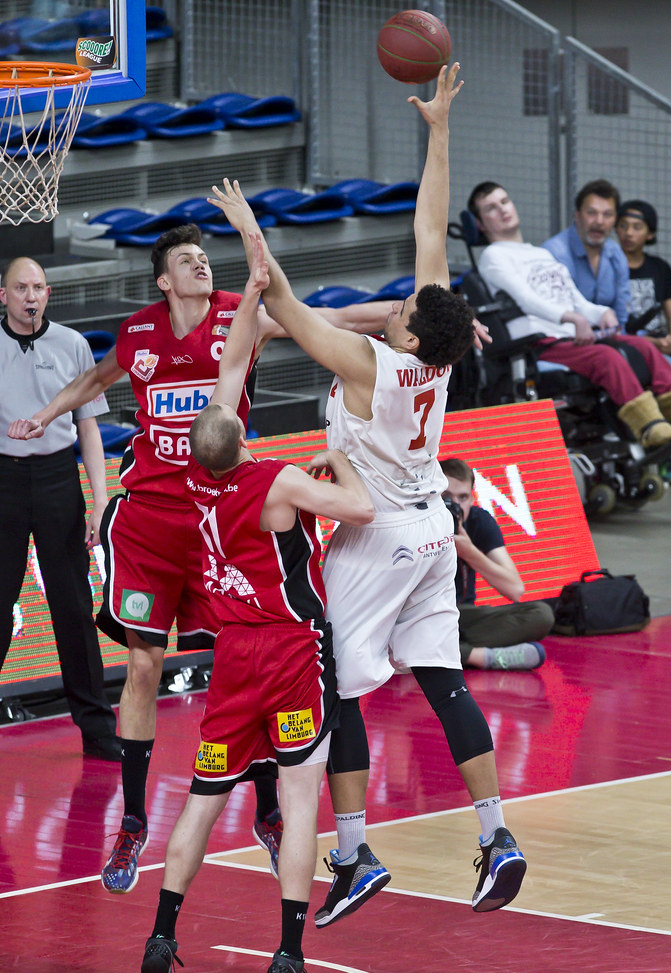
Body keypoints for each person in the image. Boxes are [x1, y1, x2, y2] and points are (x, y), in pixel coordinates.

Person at [211, 63, 528, 926]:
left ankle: (350, 853)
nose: (391, 305)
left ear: (407, 331)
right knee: (442, 680)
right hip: (433, 527)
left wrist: (249, 235)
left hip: (381, 535)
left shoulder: (372, 364)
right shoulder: (435, 353)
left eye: (399, 308)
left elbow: (282, 304)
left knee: (335, 689)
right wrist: (436, 129)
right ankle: (497, 836)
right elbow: (431, 224)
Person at [7, 225, 394, 896]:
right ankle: (132, 822)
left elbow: (324, 320)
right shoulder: (138, 334)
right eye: (187, 261)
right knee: (143, 665)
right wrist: (44, 416)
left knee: (249, 659)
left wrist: (395, 317)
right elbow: (96, 379)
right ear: (163, 279)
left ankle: (269, 813)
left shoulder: (237, 319)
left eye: (203, 258)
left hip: (222, 516)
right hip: (152, 522)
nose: (200, 265)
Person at [137, 235, 374, 973]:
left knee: (202, 801)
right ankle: (289, 951)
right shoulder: (275, 481)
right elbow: (362, 509)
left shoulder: (195, 483)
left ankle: (161, 936)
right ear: (243, 435)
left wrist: (251, 276)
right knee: (299, 800)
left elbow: (230, 366)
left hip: (229, 656)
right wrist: (339, 459)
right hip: (287, 649)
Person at [0, 257, 120, 761]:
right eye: (20, 287)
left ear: (48, 293)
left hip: (56, 479)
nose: (31, 295)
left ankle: (96, 728)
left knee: (72, 606)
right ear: (2, 295)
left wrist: (100, 498)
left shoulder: (72, 344)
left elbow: (89, 429)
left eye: (39, 287)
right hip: (4, 479)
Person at [467, 181, 671, 448]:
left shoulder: (541, 253)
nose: (502, 210)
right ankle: (649, 427)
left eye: (504, 201)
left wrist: (602, 313)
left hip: (572, 337)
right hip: (542, 343)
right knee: (607, 357)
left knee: (645, 348)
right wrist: (572, 318)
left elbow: (577, 301)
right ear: (480, 224)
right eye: (490, 208)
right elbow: (526, 299)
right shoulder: (493, 255)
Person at [440, 458, 554, 671]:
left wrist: (469, 552)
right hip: (425, 617)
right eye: (446, 498)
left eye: (462, 497)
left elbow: (515, 589)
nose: (455, 506)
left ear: (472, 499)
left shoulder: (479, 521)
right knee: (401, 631)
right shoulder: (419, 522)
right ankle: (478, 656)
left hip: (464, 618)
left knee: (541, 615)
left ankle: (445, 652)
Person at [542, 178, 631, 330]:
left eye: (607, 214)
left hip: (609, 338)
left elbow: (622, 314)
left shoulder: (616, 253)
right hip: (568, 338)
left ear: (615, 219)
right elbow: (556, 312)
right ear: (577, 215)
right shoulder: (554, 252)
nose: (599, 221)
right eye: (591, 213)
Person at [615, 199, 671, 385]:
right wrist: (653, 343)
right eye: (623, 226)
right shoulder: (609, 268)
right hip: (631, 344)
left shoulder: (660, 268)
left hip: (663, 340)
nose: (628, 233)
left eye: (637, 227)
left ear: (650, 234)